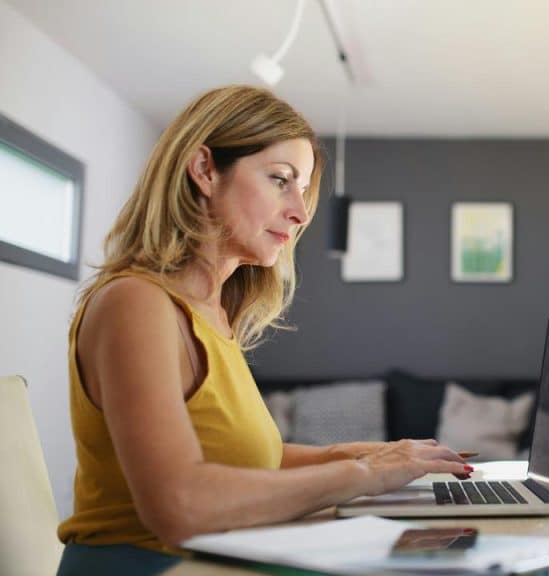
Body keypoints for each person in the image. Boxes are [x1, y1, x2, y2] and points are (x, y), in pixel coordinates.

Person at [55, 85, 471, 574]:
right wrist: (359, 474)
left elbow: (243, 459)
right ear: (205, 169)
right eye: (280, 180)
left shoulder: (212, 313)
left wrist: (368, 454)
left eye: (303, 188)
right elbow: (179, 507)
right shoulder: (137, 303)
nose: (299, 212)